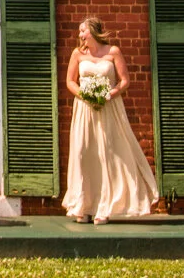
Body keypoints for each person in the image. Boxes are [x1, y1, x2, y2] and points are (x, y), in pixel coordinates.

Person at [60, 17, 159, 222]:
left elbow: (124, 81)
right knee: (82, 152)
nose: (80, 35)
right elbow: (70, 81)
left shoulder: (113, 52)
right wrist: (84, 95)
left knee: (107, 153)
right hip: (84, 109)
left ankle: (104, 207)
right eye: (79, 32)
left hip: (109, 108)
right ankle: (82, 206)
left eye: (82, 31)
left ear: (93, 32)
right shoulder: (77, 54)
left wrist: (109, 94)